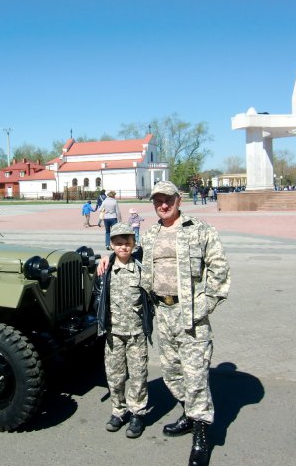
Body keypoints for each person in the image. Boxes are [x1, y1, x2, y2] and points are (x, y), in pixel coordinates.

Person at [97, 181, 231, 466]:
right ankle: (188, 414)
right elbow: (127, 254)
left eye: (168, 199)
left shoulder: (200, 230)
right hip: (163, 313)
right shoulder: (151, 235)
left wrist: (202, 307)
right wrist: (106, 260)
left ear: (178, 199)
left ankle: (201, 436)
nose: (163, 205)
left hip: (191, 316)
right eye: (158, 200)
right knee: (172, 374)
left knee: (195, 376)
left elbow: (219, 270)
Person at [92, 222, 153, 439]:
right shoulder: (105, 270)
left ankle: (137, 414)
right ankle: (118, 411)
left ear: (133, 244)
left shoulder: (141, 268)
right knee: (115, 376)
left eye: (127, 243)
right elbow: (96, 298)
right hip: (113, 334)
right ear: (111, 245)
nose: (123, 247)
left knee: (138, 375)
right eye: (118, 243)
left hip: (136, 333)